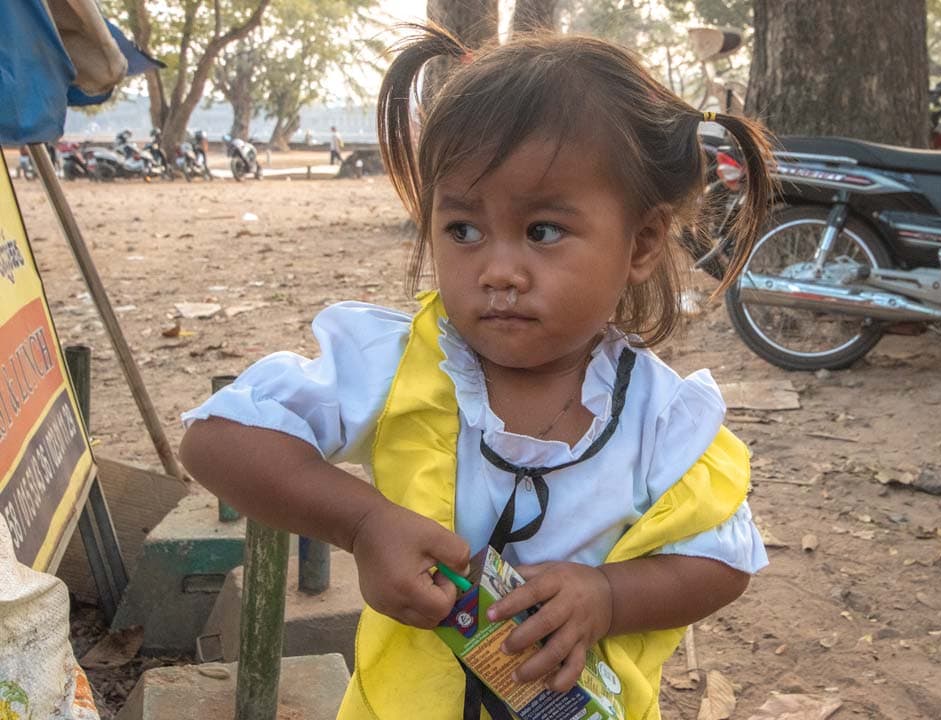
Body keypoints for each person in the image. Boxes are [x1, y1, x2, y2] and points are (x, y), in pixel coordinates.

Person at [180, 23, 772, 720]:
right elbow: (217, 437)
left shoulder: (662, 419)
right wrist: (364, 525)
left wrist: (609, 597)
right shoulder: (398, 365)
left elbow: (722, 561)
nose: (497, 271)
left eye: (543, 231)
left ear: (640, 243)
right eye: (463, 230)